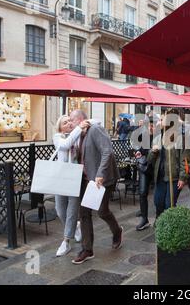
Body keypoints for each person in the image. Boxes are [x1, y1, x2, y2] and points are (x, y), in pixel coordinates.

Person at [69, 110, 123, 265]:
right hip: (87, 180)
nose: (71, 124)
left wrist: (100, 173)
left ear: (80, 119)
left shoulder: (96, 129)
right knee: (84, 213)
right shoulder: (79, 133)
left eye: (72, 121)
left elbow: (108, 151)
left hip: (103, 179)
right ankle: (87, 249)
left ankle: (117, 231)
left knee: (102, 211)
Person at [52, 115, 90, 257]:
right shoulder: (57, 137)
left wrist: (81, 130)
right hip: (61, 177)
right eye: (65, 122)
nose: (68, 123)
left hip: (75, 177)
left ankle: (66, 242)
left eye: (69, 121)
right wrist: (78, 129)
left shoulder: (79, 136)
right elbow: (65, 145)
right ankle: (76, 227)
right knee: (60, 210)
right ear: (60, 127)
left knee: (72, 211)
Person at [148, 113, 190, 219]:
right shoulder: (158, 138)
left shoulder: (181, 139)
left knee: (170, 205)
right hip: (160, 176)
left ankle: (170, 225)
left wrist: (183, 177)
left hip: (174, 177)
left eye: (162, 119)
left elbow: (186, 161)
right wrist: (153, 152)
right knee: (158, 202)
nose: (159, 121)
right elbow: (149, 160)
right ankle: (159, 222)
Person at [133, 119, 155, 231]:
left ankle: (160, 218)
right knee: (142, 192)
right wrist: (138, 152)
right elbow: (139, 148)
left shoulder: (160, 137)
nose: (151, 128)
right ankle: (144, 218)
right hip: (145, 167)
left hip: (156, 168)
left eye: (153, 126)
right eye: (149, 126)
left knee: (158, 196)